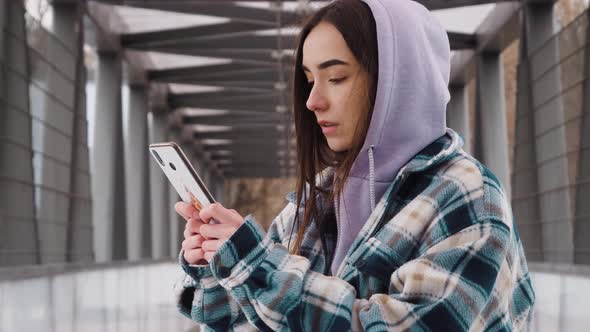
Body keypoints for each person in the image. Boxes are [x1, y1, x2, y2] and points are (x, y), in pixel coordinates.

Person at [173, 0, 535, 330]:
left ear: (396, 80)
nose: (313, 100)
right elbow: (247, 317)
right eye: (310, 79)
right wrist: (217, 261)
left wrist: (256, 264)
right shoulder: (323, 193)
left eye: (336, 78)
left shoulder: (466, 196)